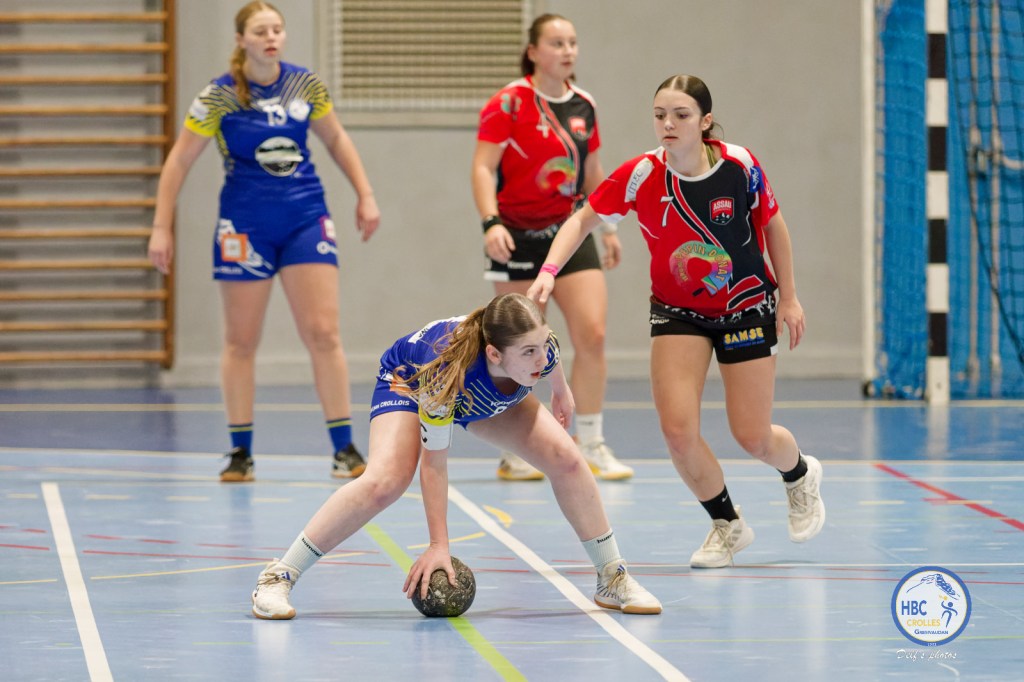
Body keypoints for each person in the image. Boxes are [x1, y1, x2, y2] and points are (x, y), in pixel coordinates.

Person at [527, 74, 826, 569]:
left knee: (752, 436)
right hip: (678, 312)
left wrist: (789, 298)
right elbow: (582, 219)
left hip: (746, 307)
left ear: (705, 122)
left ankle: (798, 474)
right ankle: (728, 525)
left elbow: (773, 225)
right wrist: (549, 271)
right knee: (677, 430)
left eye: (681, 115)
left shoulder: (740, 166)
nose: (668, 124)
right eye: (660, 115)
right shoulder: (641, 174)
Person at [250, 293, 662, 619]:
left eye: (543, 346)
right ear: (495, 354)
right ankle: (278, 576)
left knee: (567, 458)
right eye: (529, 352)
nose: (541, 358)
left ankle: (612, 577)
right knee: (384, 482)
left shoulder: (535, 344)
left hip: (483, 393)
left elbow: (549, 357)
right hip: (411, 382)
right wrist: (438, 545)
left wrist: (561, 390)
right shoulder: (443, 373)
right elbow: (434, 464)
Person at [148, 2, 380, 482]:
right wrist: (161, 226)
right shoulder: (218, 96)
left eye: (277, 29)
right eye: (260, 31)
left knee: (324, 333)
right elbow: (178, 161)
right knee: (241, 340)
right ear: (241, 40)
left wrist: (365, 194)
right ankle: (240, 452)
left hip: (305, 219)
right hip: (245, 227)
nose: (271, 37)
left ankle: (344, 448)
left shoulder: (305, 85)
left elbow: (337, 140)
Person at [471, 14, 633, 482]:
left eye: (572, 43)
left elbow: (593, 172)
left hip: (569, 231)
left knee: (593, 335)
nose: (567, 51)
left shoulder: (584, 105)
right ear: (533, 52)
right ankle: (514, 448)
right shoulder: (509, 103)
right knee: (516, 344)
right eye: (557, 43)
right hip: (516, 235)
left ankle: (592, 441)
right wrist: (490, 223)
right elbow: (482, 168)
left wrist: (608, 228)